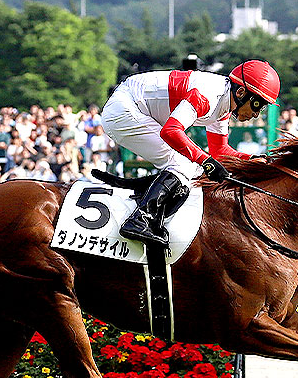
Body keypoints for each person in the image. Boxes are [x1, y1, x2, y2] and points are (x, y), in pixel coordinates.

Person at [101, 60, 281, 247]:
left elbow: (219, 151)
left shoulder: (224, 103)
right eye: (258, 105)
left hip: (135, 108)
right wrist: (205, 161)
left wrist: (251, 160)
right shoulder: (209, 96)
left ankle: (151, 216)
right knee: (183, 165)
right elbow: (171, 131)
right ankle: (140, 219)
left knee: (192, 168)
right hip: (124, 109)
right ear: (241, 92)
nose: (256, 114)